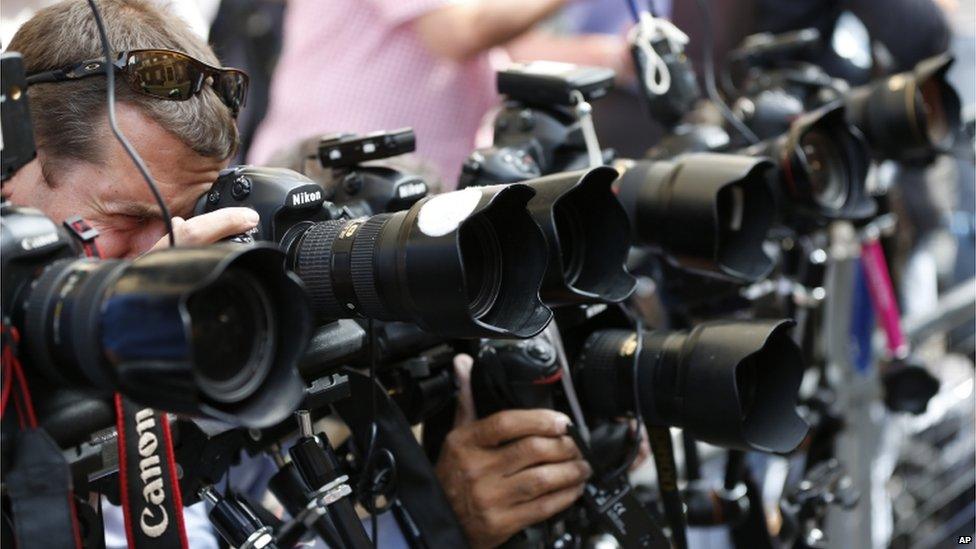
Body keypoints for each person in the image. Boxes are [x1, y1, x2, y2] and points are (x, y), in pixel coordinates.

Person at [3, 3, 592, 547]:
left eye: (190, 220)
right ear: (10, 173)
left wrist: (424, 503)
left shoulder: (228, 307)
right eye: (128, 219)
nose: (173, 257)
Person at [247, 0, 632, 189]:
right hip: (336, 181)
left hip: (412, 186)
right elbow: (460, 33)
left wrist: (619, 57)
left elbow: (504, 50)